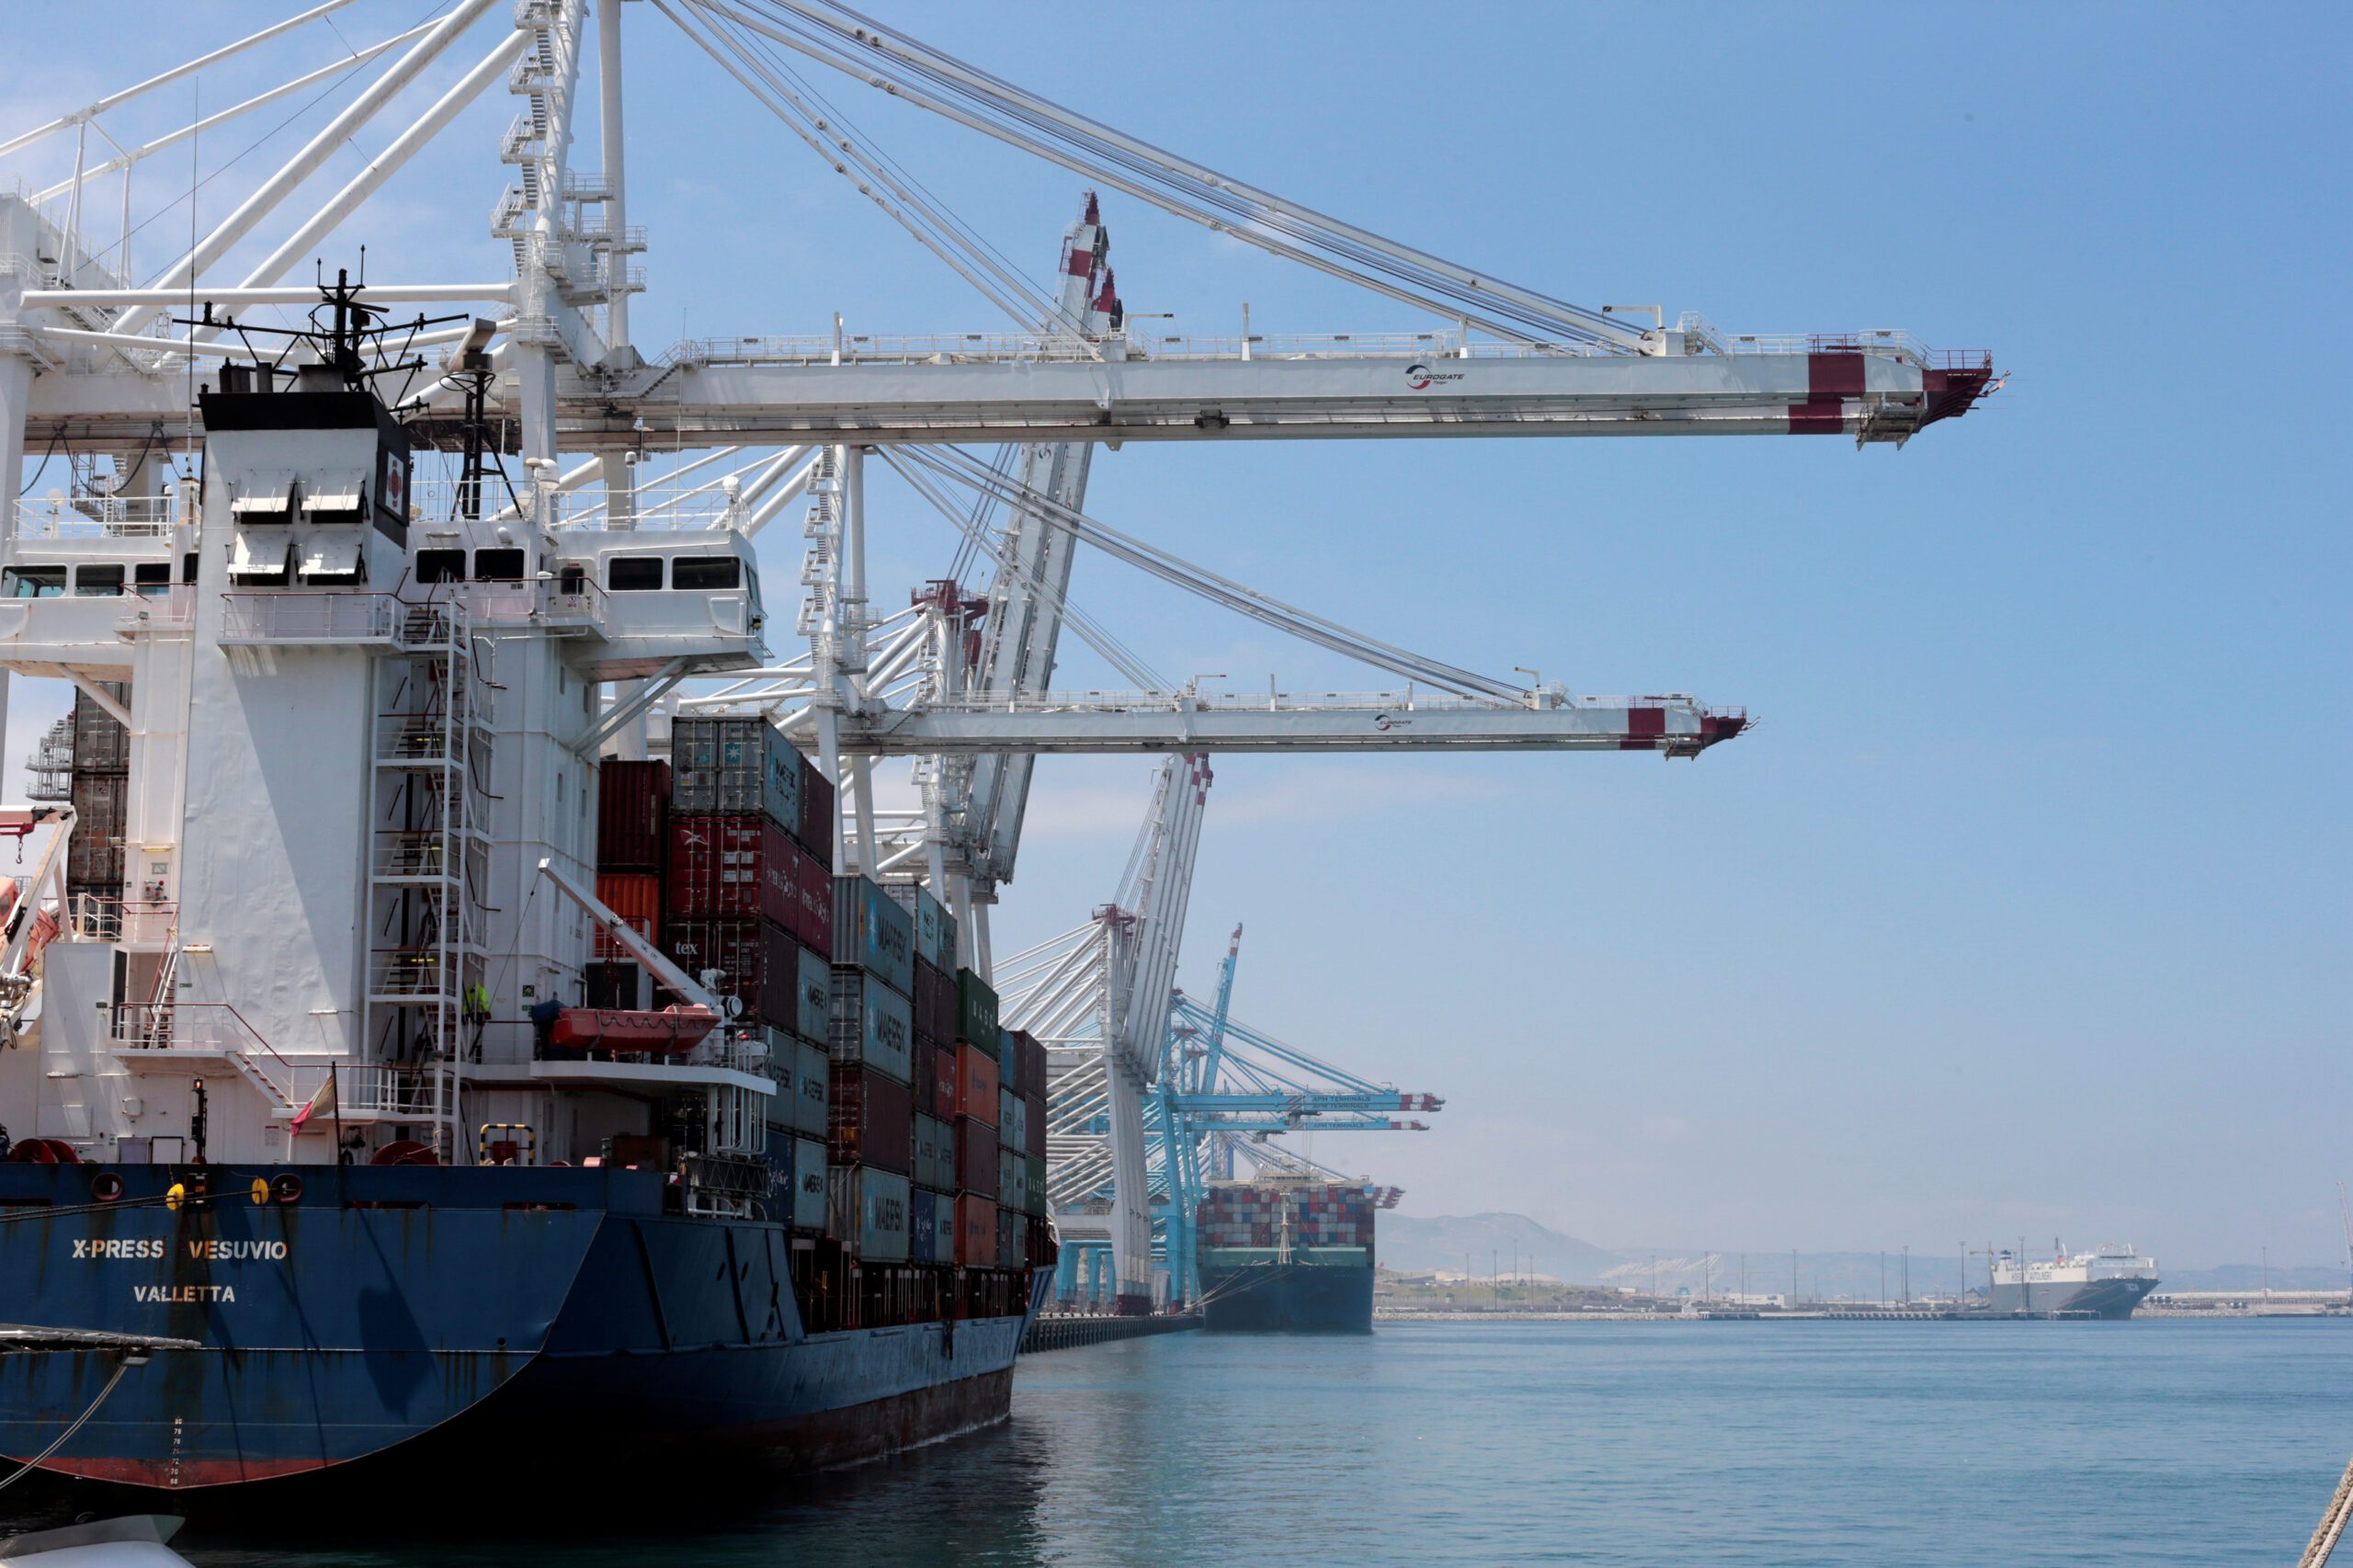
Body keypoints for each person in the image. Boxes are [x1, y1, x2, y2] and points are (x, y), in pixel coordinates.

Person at [463, 981, 491, 1063]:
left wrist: (464, 1013)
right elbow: (484, 1001)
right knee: (479, 1030)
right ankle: (477, 1046)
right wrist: (486, 1011)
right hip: (479, 1014)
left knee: (472, 1032)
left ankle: (475, 1047)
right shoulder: (481, 990)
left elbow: (466, 1003)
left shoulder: (469, 991)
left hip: (471, 1014)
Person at [529, 995, 564, 1060]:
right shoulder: (554, 1015)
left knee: (545, 1048)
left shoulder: (542, 1016)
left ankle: (544, 1059)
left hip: (544, 1035)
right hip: (551, 1039)